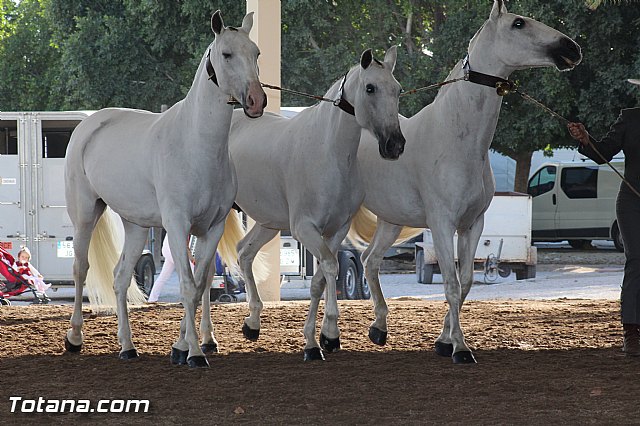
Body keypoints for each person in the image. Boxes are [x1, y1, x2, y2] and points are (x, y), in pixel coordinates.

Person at [567, 78, 640, 357]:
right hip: (632, 202)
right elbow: (603, 153)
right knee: (637, 260)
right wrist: (586, 139)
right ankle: (631, 332)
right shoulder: (630, 118)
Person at [147, 234, 194, 303]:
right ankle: (187, 298)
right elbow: (185, 245)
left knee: (163, 277)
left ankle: (152, 299)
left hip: (169, 248)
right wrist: (191, 258)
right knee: (188, 272)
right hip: (173, 249)